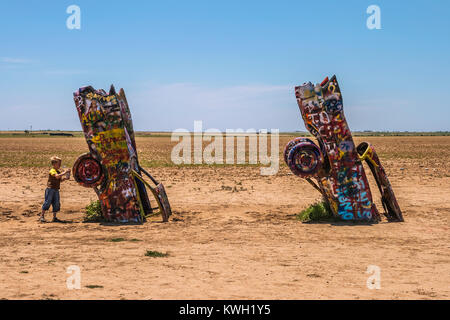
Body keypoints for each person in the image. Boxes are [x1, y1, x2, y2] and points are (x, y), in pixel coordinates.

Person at [40, 156, 70, 222]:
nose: (60, 165)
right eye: (58, 164)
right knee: (47, 202)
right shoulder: (52, 171)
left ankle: (54, 217)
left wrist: (65, 178)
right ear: (54, 164)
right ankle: (42, 216)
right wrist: (65, 172)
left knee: (56, 203)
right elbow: (57, 176)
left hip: (56, 189)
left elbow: (60, 180)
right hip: (50, 189)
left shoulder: (58, 172)